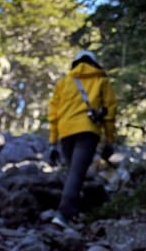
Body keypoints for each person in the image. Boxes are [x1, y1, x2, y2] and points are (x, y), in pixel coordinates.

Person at [47, 49, 117, 228]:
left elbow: (53, 115)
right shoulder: (101, 80)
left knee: (74, 172)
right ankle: (63, 214)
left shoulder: (63, 82)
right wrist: (109, 140)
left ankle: (73, 212)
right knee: (76, 173)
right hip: (88, 132)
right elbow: (109, 112)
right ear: (94, 62)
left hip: (65, 133)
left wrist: (52, 143)